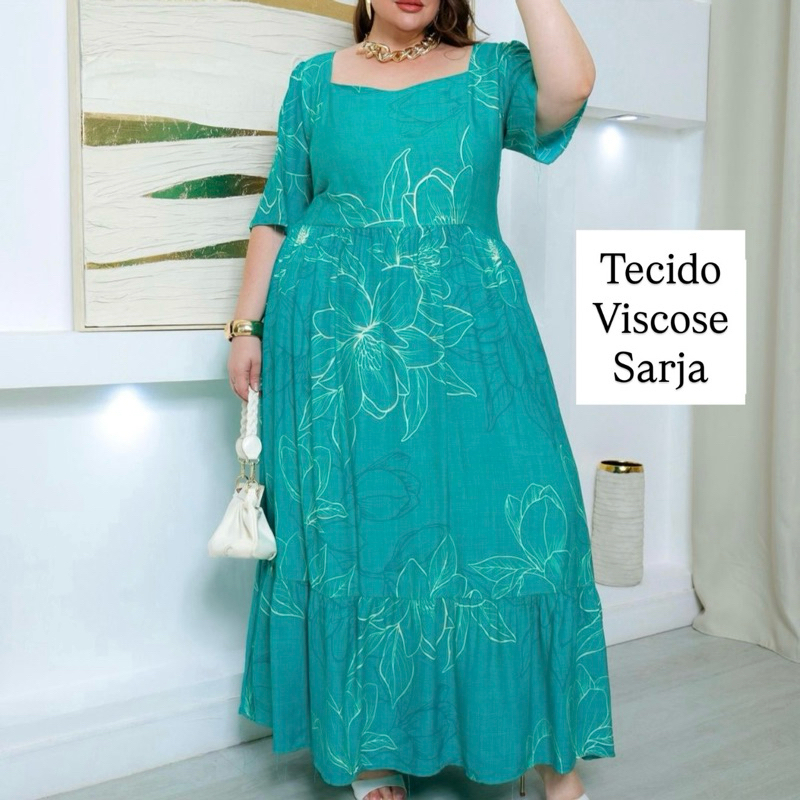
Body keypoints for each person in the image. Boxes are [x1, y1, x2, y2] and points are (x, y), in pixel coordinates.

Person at [226, 1, 614, 799]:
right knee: (365, 534)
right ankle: (373, 750)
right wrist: (245, 325)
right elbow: (278, 211)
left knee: (525, 521)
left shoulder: (491, 71)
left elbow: (572, 86)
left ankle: (550, 756)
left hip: (470, 329)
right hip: (336, 337)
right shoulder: (313, 82)